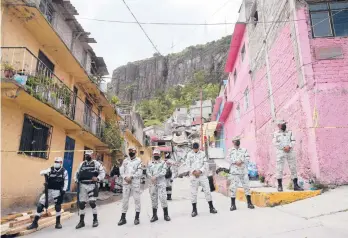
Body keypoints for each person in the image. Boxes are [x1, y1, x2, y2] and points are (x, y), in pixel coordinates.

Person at [27, 157, 68, 230]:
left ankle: (58, 223)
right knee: (40, 205)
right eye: (55, 161)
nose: (56, 163)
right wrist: (45, 172)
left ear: (61, 163)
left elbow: (66, 181)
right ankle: (35, 223)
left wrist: (64, 190)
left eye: (58, 162)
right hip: (48, 190)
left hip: (57, 191)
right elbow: (41, 172)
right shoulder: (50, 169)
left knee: (57, 206)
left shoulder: (64, 171)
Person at [75, 150, 105, 229]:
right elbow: (77, 173)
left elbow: (102, 173)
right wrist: (76, 179)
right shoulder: (82, 164)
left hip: (92, 185)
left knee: (92, 202)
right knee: (81, 204)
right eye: (86, 155)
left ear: (93, 155)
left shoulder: (97, 164)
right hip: (82, 185)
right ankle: (81, 222)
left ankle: (95, 220)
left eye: (89, 155)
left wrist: (98, 178)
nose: (87, 156)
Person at [186, 142, 217, 217]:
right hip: (193, 176)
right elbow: (187, 165)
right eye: (194, 149)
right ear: (192, 148)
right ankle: (194, 210)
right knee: (193, 193)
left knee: (207, 191)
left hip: (202, 175)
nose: (195, 150)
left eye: (197, 148)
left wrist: (200, 171)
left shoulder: (202, 154)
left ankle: (211, 207)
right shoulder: (189, 155)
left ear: (198, 148)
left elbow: (206, 164)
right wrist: (193, 171)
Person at [273, 120, 304, 192]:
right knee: (279, 168)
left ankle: (296, 185)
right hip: (281, 152)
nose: (284, 125)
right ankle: (280, 186)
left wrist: (289, 146)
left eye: (284, 124)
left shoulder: (290, 132)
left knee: (293, 167)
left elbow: (293, 140)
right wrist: (283, 147)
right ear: (279, 126)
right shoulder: (275, 134)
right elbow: (275, 143)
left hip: (290, 151)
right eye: (282, 124)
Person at [227, 136, 255, 211]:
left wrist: (241, 161)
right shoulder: (230, 151)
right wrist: (235, 162)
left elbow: (248, 158)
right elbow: (228, 159)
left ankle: (249, 203)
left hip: (243, 171)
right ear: (233, 142)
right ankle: (233, 205)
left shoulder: (244, 150)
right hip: (234, 172)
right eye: (236, 140)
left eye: (238, 140)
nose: (237, 141)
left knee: (247, 187)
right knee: (233, 188)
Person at [118, 147, 143, 226]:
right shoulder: (125, 161)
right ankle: (123, 218)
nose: (130, 152)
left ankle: (137, 218)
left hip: (135, 183)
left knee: (137, 200)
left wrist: (131, 177)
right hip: (126, 183)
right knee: (125, 200)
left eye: (132, 151)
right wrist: (125, 177)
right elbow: (121, 171)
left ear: (135, 151)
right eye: (129, 151)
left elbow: (140, 172)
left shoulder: (139, 161)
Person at [147, 149, 171, 222]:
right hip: (153, 183)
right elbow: (148, 171)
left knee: (163, 198)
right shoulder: (150, 163)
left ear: (159, 155)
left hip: (161, 183)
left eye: (157, 154)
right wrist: (151, 177)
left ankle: (166, 215)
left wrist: (155, 176)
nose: (156, 156)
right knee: (154, 199)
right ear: (153, 155)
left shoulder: (163, 163)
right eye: (155, 154)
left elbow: (164, 172)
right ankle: (154, 215)